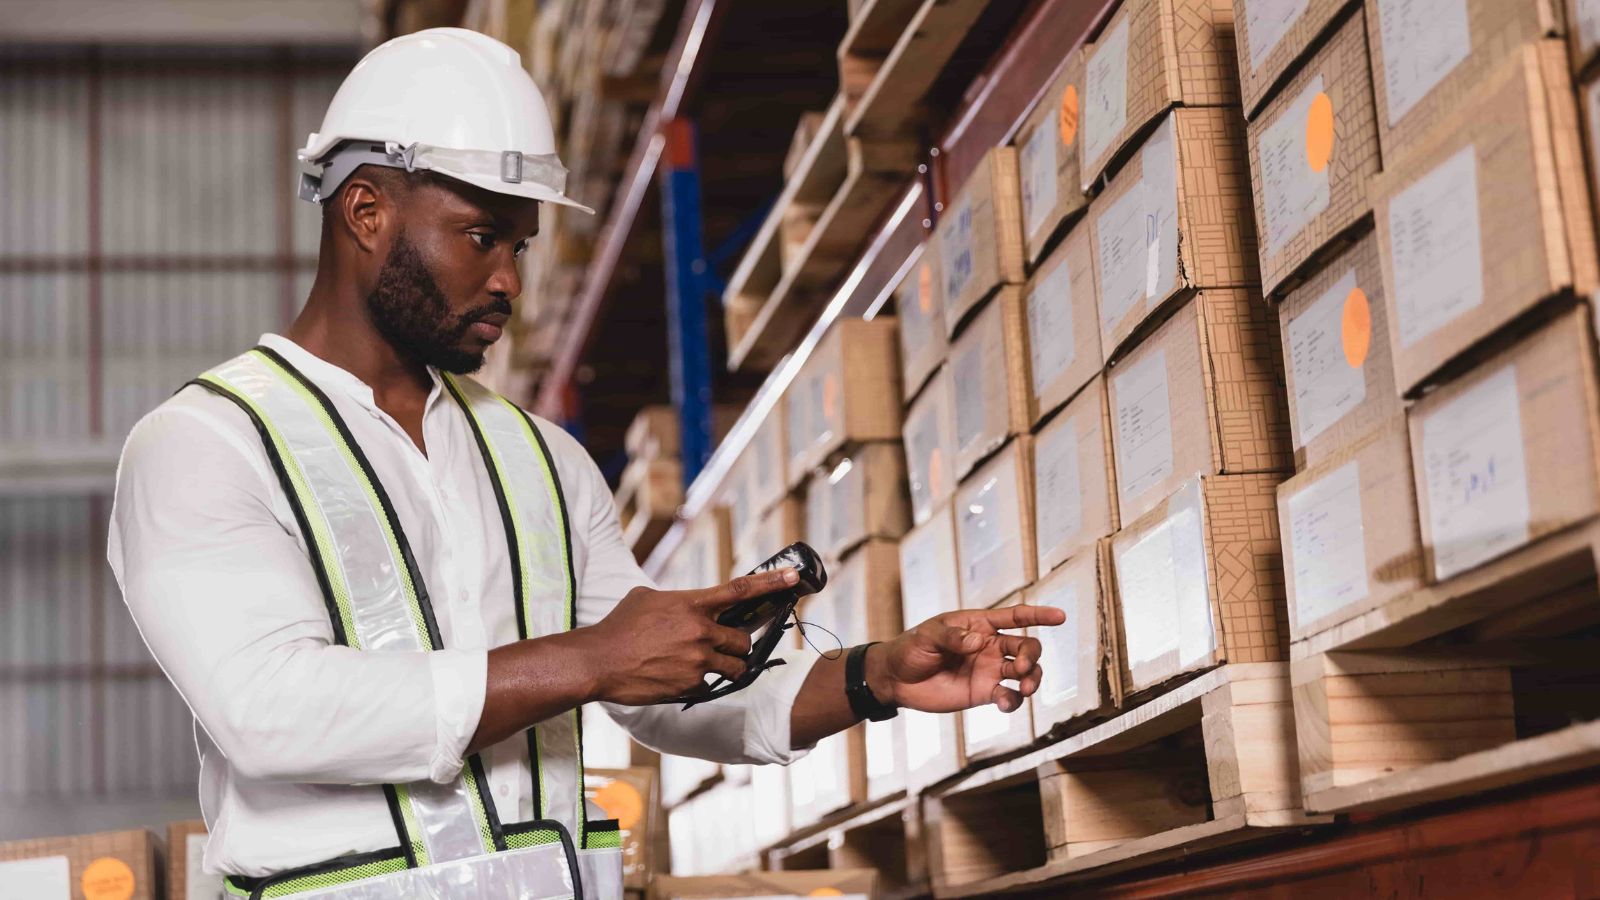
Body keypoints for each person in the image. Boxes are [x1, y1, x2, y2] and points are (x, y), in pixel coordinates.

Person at [107, 27, 1064, 899]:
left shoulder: (541, 461)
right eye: (481, 237)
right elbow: (269, 712)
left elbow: (666, 692)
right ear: (365, 209)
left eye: (521, 246)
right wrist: (593, 656)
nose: (509, 282)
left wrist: (874, 678)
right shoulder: (207, 443)